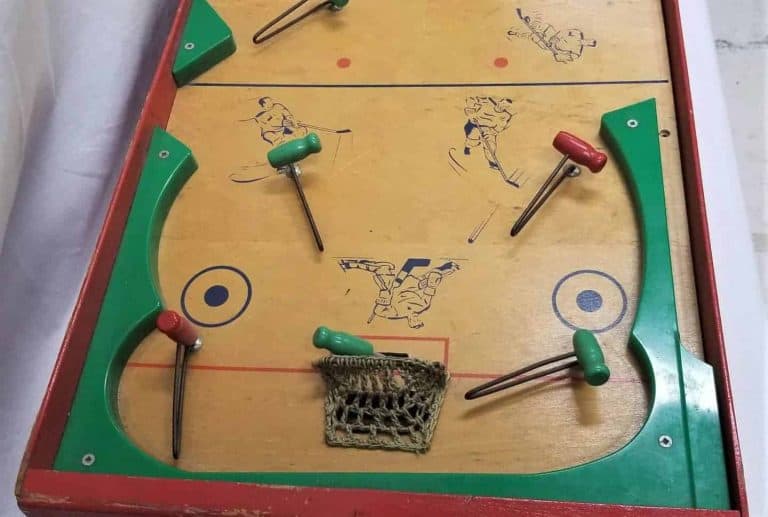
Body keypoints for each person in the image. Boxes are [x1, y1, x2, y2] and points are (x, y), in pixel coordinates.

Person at [339, 258, 460, 329]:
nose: (416, 321)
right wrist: (444, 268)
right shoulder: (423, 304)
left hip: (396, 287)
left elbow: (379, 309)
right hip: (404, 283)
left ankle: (350, 264)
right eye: (418, 322)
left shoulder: (396, 312)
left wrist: (385, 294)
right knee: (394, 273)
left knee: (384, 275)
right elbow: (430, 282)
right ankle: (350, 264)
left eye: (415, 323)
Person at [463, 97, 516, 170]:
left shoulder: (505, 116)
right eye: (503, 103)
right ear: (499, 102)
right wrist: (470, 111)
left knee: (491, 145)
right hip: (476, 125)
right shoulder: (486, 103)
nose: (503, 106)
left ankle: (491, 161)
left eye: (506, 106)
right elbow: (471, 100)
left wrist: (490, 133)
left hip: (489, 130)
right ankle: (467, 148)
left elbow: (499, 128)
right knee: (473, 137)